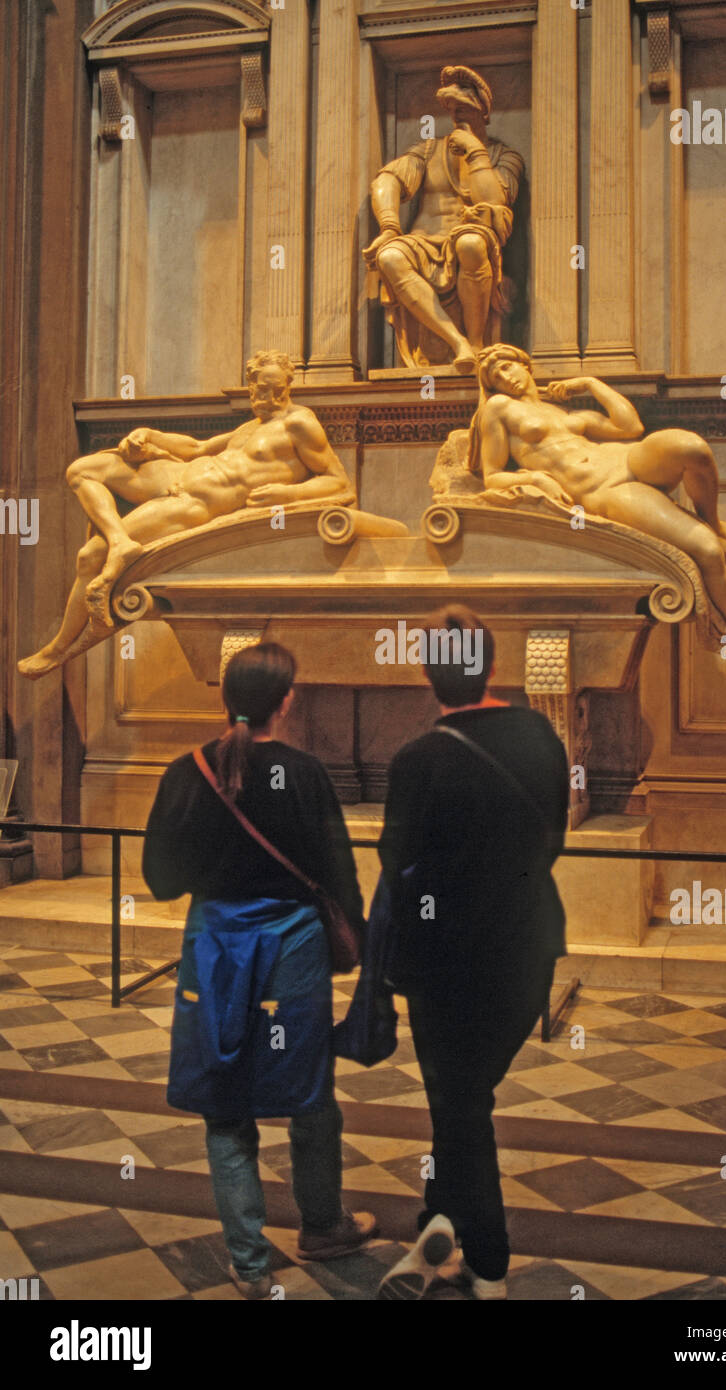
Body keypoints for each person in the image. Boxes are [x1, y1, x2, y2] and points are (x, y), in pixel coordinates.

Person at [142, 641, 375, 1299]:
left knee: (224, 1106)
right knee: (310, 1092)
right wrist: (356, 942)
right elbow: (337, 872)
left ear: (224, 697)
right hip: (292, 948)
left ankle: (248, 1266)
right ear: (286, 701)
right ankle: (323, 1226)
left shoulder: (185, 772)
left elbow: (159, 881)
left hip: (215, 948)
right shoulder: (304, 773)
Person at [376, 605, 569, 1300]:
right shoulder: (541, 733)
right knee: (462, 1096)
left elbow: (395, 863)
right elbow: (555, 834)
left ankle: (486, 1261)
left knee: (459, 1104)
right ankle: (438, 1217)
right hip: (528, 947)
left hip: (448, 963)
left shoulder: (419, 759)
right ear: (490, 665)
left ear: (429, 676)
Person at [18, 350, 355, 678]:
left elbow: (339, 482)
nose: (268, 397)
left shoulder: (300, 423)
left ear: (288, 386)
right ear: (250, 385)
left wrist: (288, 493)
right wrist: (149, 435)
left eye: (276, 390)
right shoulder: (250, 428)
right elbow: (197, 449)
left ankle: (59, 648)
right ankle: (120, 540)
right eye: (261, 389)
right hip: (177, 475)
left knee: (90, 555)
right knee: (83, 470)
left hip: (195, 502)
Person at [469, 344, 726, 676]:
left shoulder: (562, 413)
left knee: (692, 448)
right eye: (496, 376)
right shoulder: (497, 408)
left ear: (526, 366)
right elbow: (492, 476)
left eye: (509, 367)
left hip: (626, 458)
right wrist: (537, 478)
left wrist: (592, 384)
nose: (506, 378)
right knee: (707, 551)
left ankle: (715, 522)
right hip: (606, 490)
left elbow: (630, 428)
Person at [364, 65, 523, 372]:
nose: (456, 116)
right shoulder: (428, 150)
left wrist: (475, 152)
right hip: (423, 241)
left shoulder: (504, 156)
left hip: (469, 243)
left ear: (483, 110)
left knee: (471, 243)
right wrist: (389, 227)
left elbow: (493, 202)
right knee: (390, 257)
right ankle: (457, 342)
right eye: (451, 109)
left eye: (463, 108)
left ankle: (475, 343)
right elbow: (387, 180)